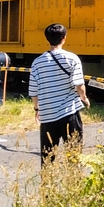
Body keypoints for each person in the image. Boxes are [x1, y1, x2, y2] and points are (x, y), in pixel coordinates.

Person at [28, 23, 90, 164]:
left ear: (47, 38)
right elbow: (79, 85)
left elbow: (33, 90)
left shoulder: (37, 62)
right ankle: (73, 183)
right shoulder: (72, 58)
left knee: (48, 158)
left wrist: (37, 109)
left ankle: (47, 185)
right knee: (74, 156)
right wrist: (84, 98)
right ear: (64, 38)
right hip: (70, 114)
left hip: (47, 116)